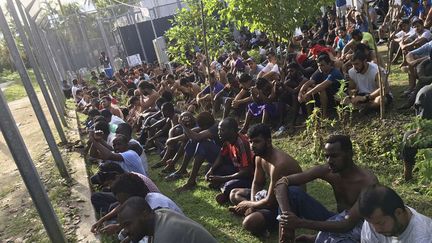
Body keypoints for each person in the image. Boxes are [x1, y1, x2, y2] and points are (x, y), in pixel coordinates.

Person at [274, 135, 378, 243]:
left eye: (334, 156)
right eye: (327, 156)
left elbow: (347, 225)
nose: (329, 161)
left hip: (360, 229)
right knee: (292, 193)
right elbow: (281, 183)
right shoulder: (328, 170)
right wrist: (287, 221)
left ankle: (314, 239)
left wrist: (299, 222)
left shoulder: (368, 182)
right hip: (337, 220)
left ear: (350, 154)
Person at [229, 124, 303, 236]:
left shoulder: (279, 165)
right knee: (234, 193)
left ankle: (259, 221)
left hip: (285, 205)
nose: (252, 145)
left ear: (268, 142)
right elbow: (257, 183)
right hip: (270, 198)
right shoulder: (259, 156)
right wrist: (252, 204)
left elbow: (270, 201)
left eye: (257, 141)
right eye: (250, 142)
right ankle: (254, 214)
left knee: (249, 222)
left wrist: (250, 205)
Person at [117, 196, 217, 243]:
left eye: (128, 224)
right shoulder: (160, 213)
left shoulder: (165, 236)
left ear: (145, 214)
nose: (125, 231)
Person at [203, 118, 255, 203]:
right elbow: (221, 156)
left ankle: (224, 189)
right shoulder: (227, 141)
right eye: (218, 130)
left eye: (222, 130)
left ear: (232, 131)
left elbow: (246, 172)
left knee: (228, 186)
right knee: (211, 167)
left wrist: (223, 178)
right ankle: (222, 186)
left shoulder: (242, 144)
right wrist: (211, 170)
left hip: (248, 177)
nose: (219, 133)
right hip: (236, 170)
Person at [359, 184, 432, 242]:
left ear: (398, 212)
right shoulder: (374, 219)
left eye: (381, 223)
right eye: (371, 223)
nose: (376, 230)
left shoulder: (424, 237)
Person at [401, 83, 432, 181]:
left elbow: (424, 123)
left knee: (409, 139)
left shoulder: (426, 94)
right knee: (408, 135)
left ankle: (407, 176)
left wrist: (417, 134)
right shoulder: (426, 92)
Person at [298, 53, 343, 117]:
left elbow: (322, 86)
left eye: (322, 65)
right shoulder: (320, 70)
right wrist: (300, 93)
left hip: (337, 95)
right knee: (308, 89)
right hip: (326, 94)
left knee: (321, 90)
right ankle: (310, 116)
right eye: (319, 65)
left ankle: (324, 115)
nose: (320, 67)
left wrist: (307, 94)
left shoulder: (335, 72)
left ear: (329, 64)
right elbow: (309, 82)